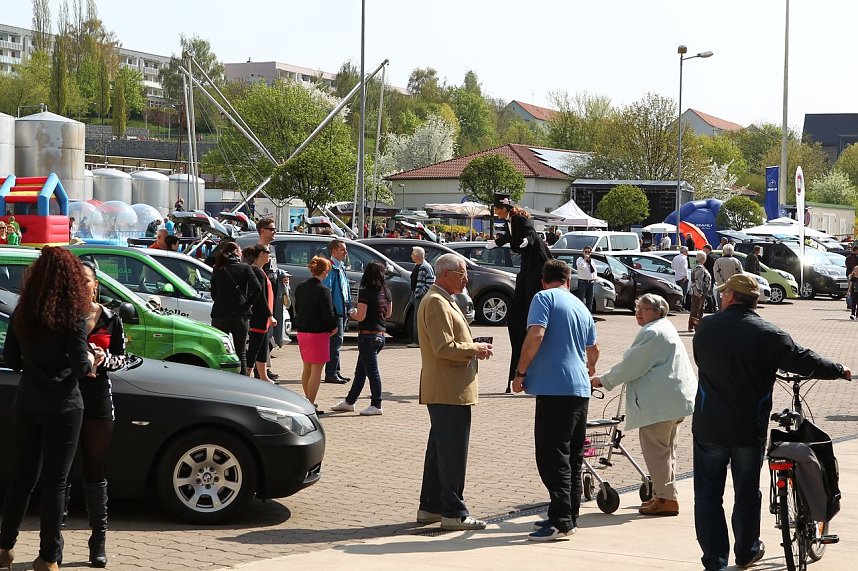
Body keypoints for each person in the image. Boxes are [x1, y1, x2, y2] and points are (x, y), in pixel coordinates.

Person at [692, 274, 852, 570]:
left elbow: (701, 360)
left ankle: (714, 560)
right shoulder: (768, 333)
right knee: (747, 491)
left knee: (707, 495)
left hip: (709, 424)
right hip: (747, 426)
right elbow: (803, 359)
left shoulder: (707, 327)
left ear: (729, 297)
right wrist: (838, 369)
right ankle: (746, 551)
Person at [0, 247, 102, 571]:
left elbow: (11, 359)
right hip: (64, 405)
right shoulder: (74, 315)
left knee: (21, 480)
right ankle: (48, 557)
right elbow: (78, 362)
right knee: (55, 483)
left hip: (28, 401)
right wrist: (92, 359)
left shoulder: (22, 312)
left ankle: (4, 547)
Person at [512, 259, 599, 542]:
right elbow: (594, 349)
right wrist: (589, 369)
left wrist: (520, 371)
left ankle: (560, 521)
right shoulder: (581, 306)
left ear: (543, 280)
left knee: (552, 456)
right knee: (573, 456)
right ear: (569, 281)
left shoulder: (543, 298)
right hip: (579, 388)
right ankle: (569, 516)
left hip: (554, 389)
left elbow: (536, 334)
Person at [591, 293, 696, 517]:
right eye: (638, 307)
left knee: (657, 453)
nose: (638, 312)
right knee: (667, 452)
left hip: (660, 404)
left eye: (645, 309)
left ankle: (667, 499)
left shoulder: (652, 332)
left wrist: (604, 380)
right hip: (672, 401)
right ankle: (665, 494)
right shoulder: (664, 327)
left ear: (659, 311)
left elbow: (633, 365)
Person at [416, 254, 493, 531]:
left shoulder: (443, 299)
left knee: (440, 452)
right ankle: (454, 512)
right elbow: (443, 348)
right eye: (462, 273)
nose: (467, 278)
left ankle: (431, 507)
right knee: (452, 454)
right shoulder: (436, 302)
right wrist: (475, 349)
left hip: (448, 388)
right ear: (445, 274)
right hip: (448, 390)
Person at [76, 261, 128, 568]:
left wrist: (102, 358)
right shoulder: (63, 317)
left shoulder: (111, 318)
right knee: (61, 472)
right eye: (77, 280)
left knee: (95, 471)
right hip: (67, 397)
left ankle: (98, 540)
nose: (82, 285)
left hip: (97, 400)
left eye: (86, 281)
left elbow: (122, 359)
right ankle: (54, 539)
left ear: (95, 284)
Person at [489, 196, 552, 394]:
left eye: (497, 209)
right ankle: (520, 316)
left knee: (531, 294)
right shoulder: (510, 220)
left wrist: (527, 241)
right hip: (527, 265)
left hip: (537, 263)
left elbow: (531, 234)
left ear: (503, 207)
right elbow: (512, 238)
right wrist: (498, 242)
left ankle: (529, 315)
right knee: (521, 297)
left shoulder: (519, 219)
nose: (496, 212)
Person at [331, 261, 393, 416]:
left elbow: (361, 316)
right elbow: (389, 313)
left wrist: (352, 311)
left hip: (367, 336)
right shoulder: (386, 291)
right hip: (380, 334)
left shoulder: (365, 291)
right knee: (361, 371)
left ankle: (376, 404)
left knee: (372, 371)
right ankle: (349, 401)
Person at [293, 256, 338, 411]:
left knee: (307, 367)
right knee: (317, 370)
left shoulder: (300, 287)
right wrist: (334, 326)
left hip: (302, 331)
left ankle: (308, 400)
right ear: (325, 271)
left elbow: (297, 308)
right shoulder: (323, 290)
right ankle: (310, 403)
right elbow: (328, 313)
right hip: (318, 333)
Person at [210, 242, 262, 375]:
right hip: (240, 314)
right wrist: (248, 304)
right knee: (241, 351)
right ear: (235, 252)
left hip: (220, 314)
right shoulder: (245, 268)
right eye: (239, 250)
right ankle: (242, 381)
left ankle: (220, 377)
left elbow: (213, 293)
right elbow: (257, 288)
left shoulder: (218, 268)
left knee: (219, 349)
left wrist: (221, 301)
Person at [256, 218, 288, 375]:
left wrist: (281, 276)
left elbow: (274, 270)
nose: (275, 231)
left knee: (271, 334)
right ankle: (260, 368)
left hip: (274, 295)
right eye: (272, 229)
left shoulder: (272, 249)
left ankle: (265, 367)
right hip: (264, 297)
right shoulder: (257, 250)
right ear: (262, 230)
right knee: (263, 334)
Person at [322, 239, 356, 384]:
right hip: (336, 311)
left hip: (342, 310)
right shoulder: (330, 267)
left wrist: (349, 306)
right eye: (342, 249)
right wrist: (332, 311)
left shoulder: (340, 267)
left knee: (337, 342)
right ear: (334, 251)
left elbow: (344, 289)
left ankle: (336, 371)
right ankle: (331, 373)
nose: (345, 252)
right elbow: (328, 291)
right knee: (335, 343)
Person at [243, 245, 276, 382]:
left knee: (263, 346)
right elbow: (260, 297)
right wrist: (269, 315)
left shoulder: (260, 271)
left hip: (263, 317)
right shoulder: (256, 271)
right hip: (259, 316)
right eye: (268, 252)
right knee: (255, 347)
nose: (270, 255)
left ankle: (263, 376)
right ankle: (247, 376)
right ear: (261, 254)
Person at [408, 246, 435, 348]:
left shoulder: (425, 267)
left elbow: (430, 282)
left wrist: (420, 292)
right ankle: (417, 340)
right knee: (416, 318)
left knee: (418, 319)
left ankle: (418, 341)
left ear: (417, 256)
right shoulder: (417, 265)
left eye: (412, 254)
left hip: (420, 296)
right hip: (416, 295)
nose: (411, 255)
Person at [713, 243, 742, 309]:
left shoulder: (718, 261)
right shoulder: (736, 261)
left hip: (722, 288)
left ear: (723, 251)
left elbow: (716, 275)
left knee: (722, 307)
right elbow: (740, 274)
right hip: (734, 287)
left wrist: (723, 285)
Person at [688, 251, 711, 332]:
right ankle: (692, 325)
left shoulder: (699, 266)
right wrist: (699, 292)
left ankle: (697, 325)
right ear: (702, 258)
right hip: (698, 292)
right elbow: (698, 280)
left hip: (700, 291)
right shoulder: (699, 267)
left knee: (700, 308)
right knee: (696, 309)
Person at [575, 246, 597, 312]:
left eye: (589, 252)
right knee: (581, 299)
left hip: (591, 282)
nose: (587, 253)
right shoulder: (580, 260)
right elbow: (580, 267)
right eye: (586, 252)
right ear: (583, 252)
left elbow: (594, 270)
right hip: (583, 282)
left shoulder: (591, 261)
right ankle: (580, 314)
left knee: (590, 300)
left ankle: (589, 315)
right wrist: (585, 259)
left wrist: (594, 278)